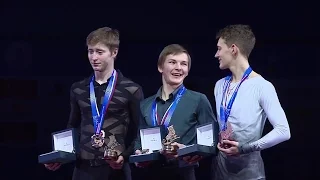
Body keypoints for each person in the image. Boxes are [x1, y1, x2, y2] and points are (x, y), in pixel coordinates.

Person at [44, 27, 144, 180]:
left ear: (114, 52)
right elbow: (73, 126)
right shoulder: (78, 89)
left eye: (99, 52)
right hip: (83, 169)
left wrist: (125, 156)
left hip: (115, 170)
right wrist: (60, 156)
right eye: (90, 51)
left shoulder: (131, 89)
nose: (94, 57)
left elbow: (139, 130)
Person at [213, 24, 291, 180]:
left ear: (233, 49)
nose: (216, 54)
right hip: (219, 173)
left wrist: (244, 148)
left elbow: (283, 131)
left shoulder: (262, 86)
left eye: (219, 48)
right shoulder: (220, 85)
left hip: (250, 175)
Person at [133, 44, 218, 180]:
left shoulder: (198, 100)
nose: (178, 67)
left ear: (188, 70)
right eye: (172, 62)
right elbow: (139, 139)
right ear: (160, 67)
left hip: (183, 173)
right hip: (151, 173)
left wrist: (186, 150)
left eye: (183, 64)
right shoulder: (146, 105)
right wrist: (138, 153)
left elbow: (212, 142)